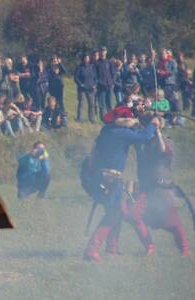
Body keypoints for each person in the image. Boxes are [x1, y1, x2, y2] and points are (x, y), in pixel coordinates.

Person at [83, 106, 160, 262]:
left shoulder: (106, 131)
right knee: (115, 213)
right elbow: (145, 137)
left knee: (115, 211)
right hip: (111, 179)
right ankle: (92, 249)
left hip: (101, 178)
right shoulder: (122, 133)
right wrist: (154, 124)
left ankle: (111, 248)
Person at [124, 119, 190, 256]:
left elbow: (163, 151)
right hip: (146, 187)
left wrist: (158, 132)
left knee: (173, 222)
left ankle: (185, 249)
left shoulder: (165, 140)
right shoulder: (141, 142)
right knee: (133, 214)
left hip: (162, 187)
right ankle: (150, 247)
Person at [74, 54, 97, 123]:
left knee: (91, 104)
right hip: (82, 89)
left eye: (88, 58)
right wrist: (81, 84)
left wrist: (94, 84)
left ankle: (91, 119)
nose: (87, 59)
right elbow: (76, 77)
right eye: (85, 58)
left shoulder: (92, 66)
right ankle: (79, 118)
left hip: (91, 88)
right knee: (81, 104)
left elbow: (95, 77)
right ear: (83, 59)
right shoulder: (79, 67)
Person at [96, 47, 115, 119]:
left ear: (106, 52)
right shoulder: (97, 63)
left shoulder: (109, 62)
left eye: (104, 50)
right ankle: (103, 118)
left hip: (109, 85)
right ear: (99, 52)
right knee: (102, 104)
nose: (102, 52)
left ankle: (110, 118)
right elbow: (95, 75)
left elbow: (113, 73)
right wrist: (99, 83)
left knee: (109, 103)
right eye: (101, 50)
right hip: (101, 86)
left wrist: (112, 82)